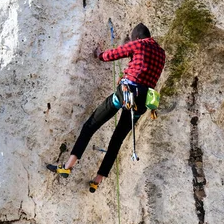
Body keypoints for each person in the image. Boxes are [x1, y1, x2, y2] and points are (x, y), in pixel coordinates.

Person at [47, 23, 166, 192]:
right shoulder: (161, 53)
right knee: (116, 141)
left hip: (125, 94)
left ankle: (68, 166)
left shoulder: (139, 44)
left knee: (91, 125)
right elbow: (142, 67)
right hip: (142, 103)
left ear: (137, 38)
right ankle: (97, 180)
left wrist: (99, 54)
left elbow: (112, 55)